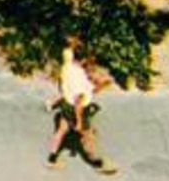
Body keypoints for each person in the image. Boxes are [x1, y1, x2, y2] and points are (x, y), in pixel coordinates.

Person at [46, 39, 118, 174]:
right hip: (77, 109)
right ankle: (98, 163)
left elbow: (65, 85)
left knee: (61, 131)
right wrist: (79, 122)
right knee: (88, 136)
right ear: (83, 59)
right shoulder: (79, 76)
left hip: (66, 105)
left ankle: (51, 159)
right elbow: (80, 100)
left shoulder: (66, 66)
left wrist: (58, 100)